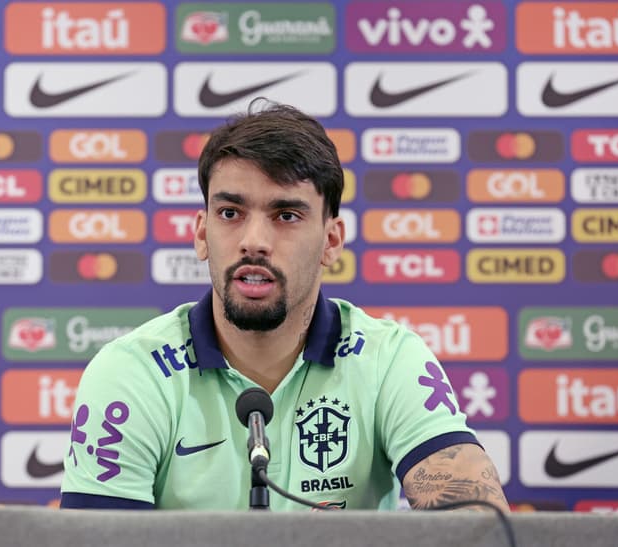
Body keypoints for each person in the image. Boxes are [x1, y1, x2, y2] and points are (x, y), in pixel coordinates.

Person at [60, 99, 509, 512]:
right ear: (201, 234)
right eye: (231, 213)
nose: (254, 242)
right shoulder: (131, 373)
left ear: (330, 241)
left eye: (286, 216)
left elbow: (478, 522)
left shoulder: (389, 360)